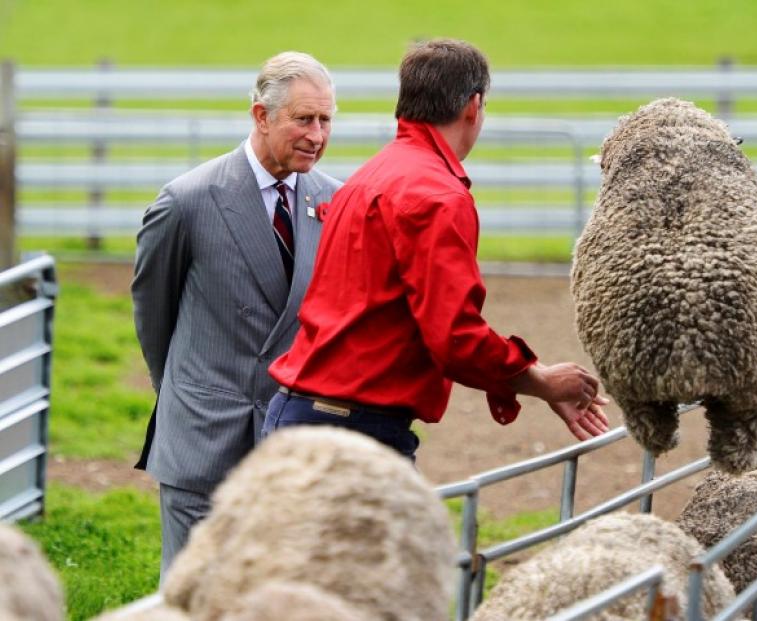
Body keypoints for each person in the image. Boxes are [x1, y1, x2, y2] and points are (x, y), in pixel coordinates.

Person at [264, 39, 609, 458]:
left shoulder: (370, 176)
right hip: (351, 434)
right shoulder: (437, 195)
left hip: (303, 416)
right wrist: (537, 378)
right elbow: (455, 336)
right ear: (473, 106)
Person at [131, 51, 341, 577]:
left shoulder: (335, 202)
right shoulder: (188, 201)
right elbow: (153, 315)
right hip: (205, 438)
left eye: (326, 120)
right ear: (261, 116)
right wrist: (185, 391)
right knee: (194, 592)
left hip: (291, 446)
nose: (317, 135)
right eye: (304, 119)